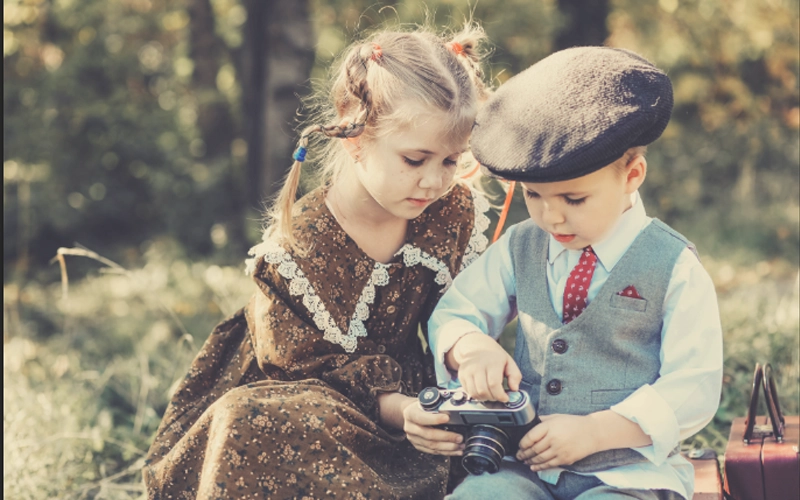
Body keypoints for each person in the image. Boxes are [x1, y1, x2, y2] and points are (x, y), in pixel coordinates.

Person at [143, 24, 493, 499]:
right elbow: (300, 370)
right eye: (416, 160)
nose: (434, 181)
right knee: (251, 423)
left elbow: (458, 312)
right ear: (355, 138)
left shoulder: (450, 213)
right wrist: (400, 408)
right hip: (305, 397)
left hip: (413, 401)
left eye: (451, 161)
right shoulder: (300, 243)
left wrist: (466, 356)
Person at [427, 47, 723, 499]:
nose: (552, 218)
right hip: (522, 466)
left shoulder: (673, 265)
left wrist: (597, 433)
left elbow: (694, 384)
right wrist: (470, 349)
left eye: (574, 199)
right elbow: (456, 311)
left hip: (628, 476)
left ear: (633, 175)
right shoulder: (522, 245)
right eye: (534, 196)